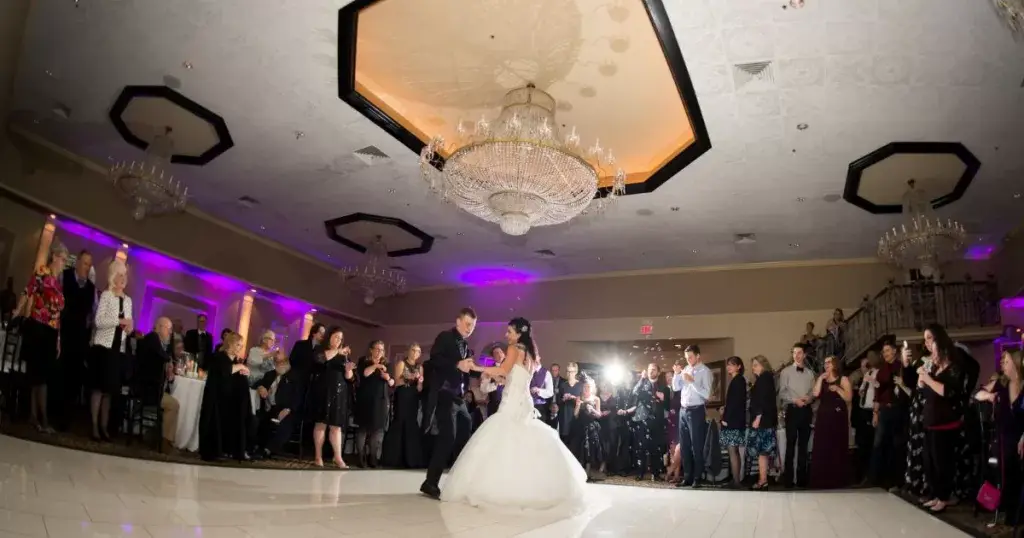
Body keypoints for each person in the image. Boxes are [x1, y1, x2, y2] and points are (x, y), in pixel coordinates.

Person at [440, 317, 587, 513]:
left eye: (509, 331)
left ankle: (500, 489)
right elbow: (515, 375)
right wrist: (502, 378)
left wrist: (478, 367)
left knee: (502, 439)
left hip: (512, 403)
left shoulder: (514, 348)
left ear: (519, 333)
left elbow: (503, 368)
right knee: (523, 442)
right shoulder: (531, 354)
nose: (506, 335)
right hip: (524, 401)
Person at [420, 307, 478, 499]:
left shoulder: (467, 347)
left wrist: (490, 374)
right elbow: (434, 358)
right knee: (447, 437)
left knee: (465, 430)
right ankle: (430, 482)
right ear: (458, 322)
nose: (470, 328)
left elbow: (468, 368)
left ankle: (459, 482)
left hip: (459, 398)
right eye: (468, 324)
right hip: (445, 394)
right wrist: (456, 365)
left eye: (473, 326)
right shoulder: (445, 337)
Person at [17, 241, 68, 433]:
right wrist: (17, 310)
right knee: (39, 376)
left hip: (51, 332)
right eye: (62, 259)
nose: (64, 263)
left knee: (43, 375)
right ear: (54, 256)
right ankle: (41, 419)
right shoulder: (42, 273)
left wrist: (58, 340)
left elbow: (57, 314)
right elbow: (27, 290)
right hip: (37, 327)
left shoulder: (58, 284)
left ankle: (35, 417)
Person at [917, 324, 965, 514]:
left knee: (942, 462)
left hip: (945, 422)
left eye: (930, 339)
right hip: (930, 420)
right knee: (930, 462)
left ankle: (944, 497)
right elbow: (923, 390)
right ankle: (936, 495)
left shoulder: (954, 366)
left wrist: (928, 380)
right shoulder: (934, 367)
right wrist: (922, 376)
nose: (927, 344)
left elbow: (948, 392)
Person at [88, 260, 133, 442]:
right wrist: (119, 321)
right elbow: (98, 322)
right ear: (113, 277)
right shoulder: (106, 295)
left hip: (117, 350)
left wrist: (129, 327)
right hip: (103, 348)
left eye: (124, 275)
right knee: (98, 389)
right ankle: (94, 427)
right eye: (119, 275)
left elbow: (129, 324)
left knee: (109, 391)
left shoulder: (128, 300)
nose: (122, 279)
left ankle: (104, 427)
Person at [977, 350, 1024, 524]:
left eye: (1006, 360)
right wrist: (990, 396)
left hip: (1021, 436)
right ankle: (1010, 516)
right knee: (1008, 475)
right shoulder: (1001, 384)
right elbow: (978, 394)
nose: (1003, 363)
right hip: (1005, 438)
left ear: (1016, 362)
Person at [56, 249, 94, 431]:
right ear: (77, 262)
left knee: (74, 378)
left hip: (80, 338)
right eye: (85, 263)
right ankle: (53, 413)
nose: (87, 267)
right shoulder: (64, 277)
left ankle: (66, 420)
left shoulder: (92, 288)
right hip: (63, 333)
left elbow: (92, 316)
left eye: (89, 264)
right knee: (59, 374)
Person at [198, 332, 250, 461]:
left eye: (241, 345)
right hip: (216, 400)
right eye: (237, 344)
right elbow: (225, 371)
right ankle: (214, 451)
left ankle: (231, 450)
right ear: (230, 344)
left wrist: (243, 372)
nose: (240, 348)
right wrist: (240, 367)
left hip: (229, 401)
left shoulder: (236, 361)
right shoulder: (219, 357)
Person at [309, 326, 354, 468]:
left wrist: (349, 371)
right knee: (321, 424)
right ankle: (318, 456)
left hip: (340, 392)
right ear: (329, 337)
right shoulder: (320, 349)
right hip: (323, 390)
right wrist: (337, 351)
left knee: (336, 426)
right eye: (336, 337)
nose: (339, 340)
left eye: (341, 339)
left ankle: (338, 457)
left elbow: (350, 378)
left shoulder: (344, 355)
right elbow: (321, 359)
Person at [135, 317, 180, 451]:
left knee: (173, 401)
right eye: (169, 329)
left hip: (153, 387)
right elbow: (163, 357)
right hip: (147, 388)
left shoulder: (159, 343)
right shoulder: (152, 338)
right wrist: (170, 362)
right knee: (173, 404)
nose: (170, 332)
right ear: (159, 327)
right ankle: (165, 441)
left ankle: (160, 437)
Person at [809, 356, 853, 489]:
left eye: (829, 362)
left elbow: (849, 397)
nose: (826, 364)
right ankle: (821, 479)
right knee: (822, 445)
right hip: (824, 416)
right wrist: (820, 379)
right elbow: (815, 394)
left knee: (836, 445)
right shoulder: (822, 379)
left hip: (838, 416)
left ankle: (837, 479)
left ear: (835, 364)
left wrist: (838, 389)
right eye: (825, 363)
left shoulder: (843, 379)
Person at [673, 345, 712, 488]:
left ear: (698, 356)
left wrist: (692, 382)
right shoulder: (687, 369)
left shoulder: (705, 371)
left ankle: (697, 477)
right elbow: (676, 388)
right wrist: (677, 375)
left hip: (696, 411)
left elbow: (707, 395)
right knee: (684, 446)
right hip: (683, 411)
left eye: (690, 357)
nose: (688, 360)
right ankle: (687, 477)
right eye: (686, 358)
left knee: (697, 446)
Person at [778, 343, 816, 488]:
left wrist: (809, 399)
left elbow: (813, 392)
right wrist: (795, 400)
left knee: (803, 446)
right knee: (790, 445)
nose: (796, 355)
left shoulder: (810, 373)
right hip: (792, 410)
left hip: (806, 411)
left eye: (799, 352)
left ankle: (802, 480)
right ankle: (788, 480)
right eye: (794, 353)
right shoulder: (785, 372)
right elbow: (782, 392)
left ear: (804, 355)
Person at [381, 343, 425, 468]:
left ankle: (411, 459)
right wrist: (412, 376)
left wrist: (420, 383)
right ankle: (394, 458)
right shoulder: (401, 363)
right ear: (409, 351)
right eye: (413, 350)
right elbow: (397, 382)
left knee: (412, 423)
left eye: (418, 351)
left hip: (413, 397)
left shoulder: (420, 367)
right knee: (400, 421)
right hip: (402, 395)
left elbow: (420, 388)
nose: (415, 353)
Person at [622, 363, 665, 482]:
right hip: (642, 419)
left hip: (657, 420)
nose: (651, 372)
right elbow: (634, 392)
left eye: (654, 370)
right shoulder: (642, 384)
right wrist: (642, 378)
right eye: (650, 369)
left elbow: (667, 404)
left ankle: (655, 474)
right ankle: (640, 473)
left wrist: (663, 398)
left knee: (655, 449)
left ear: (658, 372)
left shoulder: (663, 386)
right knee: (641, 448)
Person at [355, 340, 394, 468]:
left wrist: (387, 378)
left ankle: (373, 458)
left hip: (381, 400)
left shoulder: (387, 363)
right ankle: (361, 458)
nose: (379, 352)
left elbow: (392, 382)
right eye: (377, 349)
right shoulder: (363, 361)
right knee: (363, 429)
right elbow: (365, 373)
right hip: (366, 399)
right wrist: (376, 366)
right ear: (371, 350)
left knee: (378, 430)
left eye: (382, 350)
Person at [254, 352, 299, 459]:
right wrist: (261, 387)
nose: (279, 364)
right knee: (258, 420)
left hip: (288, 408)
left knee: (286, 423)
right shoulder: (270, 374)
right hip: (270, 407)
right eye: (277, 362)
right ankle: (256, 446)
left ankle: (268, 449)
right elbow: (257, 383)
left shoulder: (294, 376)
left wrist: (288, 409)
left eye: (281, 362)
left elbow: (298, 396)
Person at [747, 355, 778, 490]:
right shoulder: (764, 378)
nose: (753, 368)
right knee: (763, 452)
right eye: (753, 365)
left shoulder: (764, 378)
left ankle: (763, 480)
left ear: (763, 365)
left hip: (763, 420)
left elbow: (763, 399)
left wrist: (758, 417)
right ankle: (763, 479)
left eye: (755, 365)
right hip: (765, 419)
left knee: (762, 451)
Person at [719, 356, 747, 488]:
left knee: (732, 450)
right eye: (728, 364)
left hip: (733, 422)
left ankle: (736, 481)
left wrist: (725, 419)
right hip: (735, 421)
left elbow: (735, 404)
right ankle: (735, 480)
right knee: (734, 451)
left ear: (739, 366)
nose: (728, 367)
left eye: (732, 364)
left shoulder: (738, 380)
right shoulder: (737, 380)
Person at [570, 375, 604, 481]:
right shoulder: (579, 397)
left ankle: (587, 473)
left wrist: (592, 410)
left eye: (588, 387)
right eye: (584, 387)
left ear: (592, 388)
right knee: (579, 450)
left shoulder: (596, 399)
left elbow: (599, 415)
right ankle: (579, 473)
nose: (586, 389)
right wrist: (578, 406)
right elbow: (575, 415)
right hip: (580, 426)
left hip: (591, 427)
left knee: (590, 451)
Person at [555, 362, 582, 442]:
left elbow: (583, 401)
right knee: (564, 440)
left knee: (574, 440)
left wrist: (574, 398)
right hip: (564, 415)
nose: (569, 374)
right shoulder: (563, 385)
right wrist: (563, 399)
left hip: (576, 416)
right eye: (568, 371)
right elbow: (558, 401)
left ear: (576, 372)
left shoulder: (580, 385)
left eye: (572, 371)